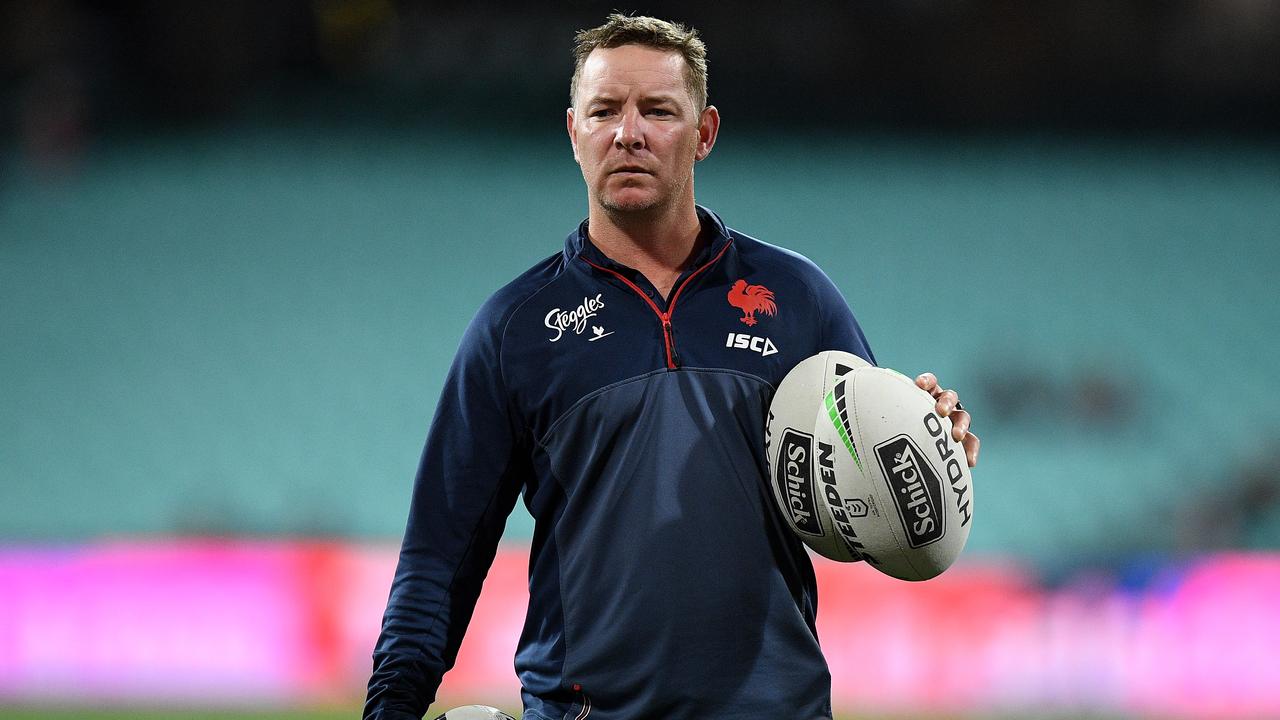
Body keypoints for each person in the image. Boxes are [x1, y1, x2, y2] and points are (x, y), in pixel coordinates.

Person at [365, 14, 979, 720]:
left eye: (658, 110)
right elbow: (438, 557)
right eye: (605, 111)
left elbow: (866, 484)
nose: (629, 133)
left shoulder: (799, 298)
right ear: (574, 133)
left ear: (705, 133)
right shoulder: (515, 328)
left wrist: (932, 450)